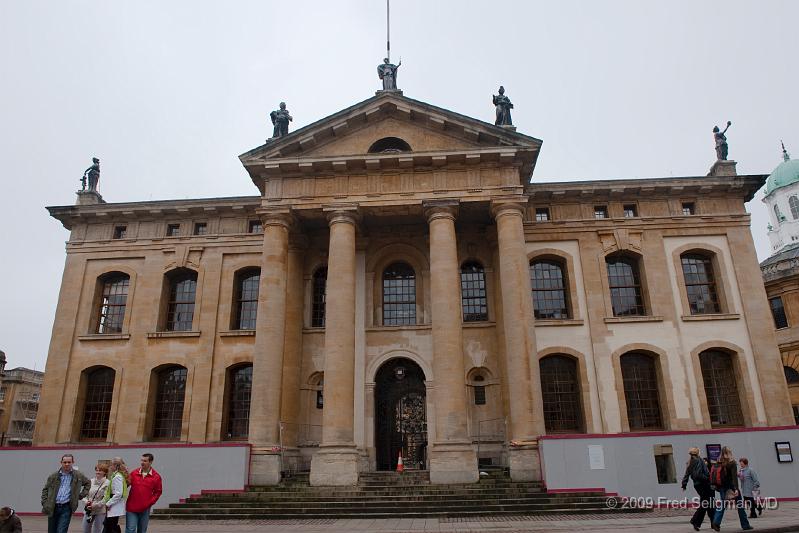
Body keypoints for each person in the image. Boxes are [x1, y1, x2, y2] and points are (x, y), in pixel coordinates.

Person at [41, 454, 91, 533]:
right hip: (53, 507)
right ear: (61, 462)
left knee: (61, 530)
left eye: (69, 462)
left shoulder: (78, 475)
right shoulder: (53, 476)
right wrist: (45, 503)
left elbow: (88, 483)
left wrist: (80, 496)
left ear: (72, 462)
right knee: (52, 530)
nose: (67, 464)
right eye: (65, 462)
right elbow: (45, 489)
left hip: (67, 507)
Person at [710, 446, 752, 531]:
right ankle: (745, 525)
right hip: (731, 487)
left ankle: (716, 522)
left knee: (722, 504)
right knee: (740, 505)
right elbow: (734, 478)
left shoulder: (718, 462)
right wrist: (736, 489)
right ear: (728, 453)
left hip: (722, 487)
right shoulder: (732, 463)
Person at [125, 453, 163, 533]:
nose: (142, 462)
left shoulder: (156, 477)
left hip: (145, 508)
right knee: (130, 530)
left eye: (145, 461)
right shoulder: (134, 473)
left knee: (142, 530)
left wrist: (150, 502)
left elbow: (158, 492)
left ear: (151, 462)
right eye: (141, 460)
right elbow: (125, 486)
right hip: (131, 507)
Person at [681, 447, 715, 531]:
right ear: (697, 453)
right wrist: (707, 478)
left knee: (708, 503)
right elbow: (698, 474)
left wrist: (684, 485)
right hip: (704, 484)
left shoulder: (690, 462)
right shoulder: (699, 460)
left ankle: (712, 523)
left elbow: (686, 474)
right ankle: (695, 521)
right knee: (707, 503)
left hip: (697, 485)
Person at [81, 463, 110, 533]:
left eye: (100, 470)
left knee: (97, 530)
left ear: (105, 472)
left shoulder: (108, 483)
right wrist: (86, 502)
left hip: (100, 509)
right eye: (96, 470)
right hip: (89, 509)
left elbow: (106, 498)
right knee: (85, 528)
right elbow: (84, 495)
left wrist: (95, 505)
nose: (98, 472)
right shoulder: (90, 481)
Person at [102, 457, 129, 533]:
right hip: (114, 505)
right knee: (110, 525)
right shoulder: (117, 475)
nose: (110, 467)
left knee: (111, 526)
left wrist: (108, 503)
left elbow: (118, 493)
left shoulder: (117, 477)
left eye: (111, 465)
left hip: (114, 505)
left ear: (115, 466)